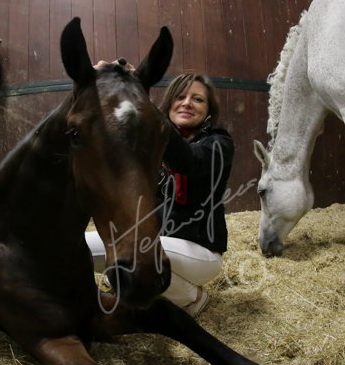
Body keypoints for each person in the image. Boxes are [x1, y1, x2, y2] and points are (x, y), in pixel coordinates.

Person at [86, 71, 234, 317]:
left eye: (198, 99)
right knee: (83, 246)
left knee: (134, 258)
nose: (187, 103)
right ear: (170, 103)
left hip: (201, 252)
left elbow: (190, 161)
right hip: (158, 243)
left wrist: (146, 109)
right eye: (180, 97)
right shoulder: (153, 147)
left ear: (209, 110)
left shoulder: (219, 142)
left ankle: (193, 297)